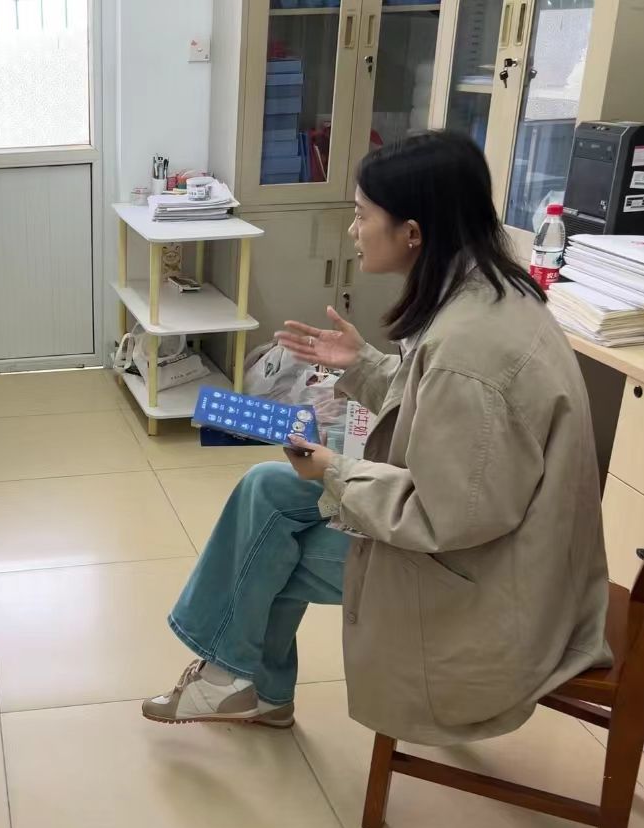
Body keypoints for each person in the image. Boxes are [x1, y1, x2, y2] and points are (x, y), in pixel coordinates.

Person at [143, 131, 610, 745]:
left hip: (491, 586)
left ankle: (241, 680)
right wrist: (361, 364)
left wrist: (333, 469)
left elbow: (445, 516)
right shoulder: (492, 296)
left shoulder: (467, 349)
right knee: (268, 490)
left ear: (412, 232)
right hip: (503, 551)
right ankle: (244, 682)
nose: (353, 230)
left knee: (269, 548)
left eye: (363, 215)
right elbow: (448, 419)